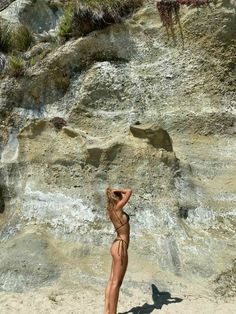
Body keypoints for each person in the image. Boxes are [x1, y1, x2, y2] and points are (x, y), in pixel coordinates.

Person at [104, 187, 133, 314]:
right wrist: (117, 189)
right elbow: (129, 191)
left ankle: (107, 311)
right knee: (116, 283)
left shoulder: (111, 209)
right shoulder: (117, 208)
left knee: (111, 281)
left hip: (116, 245)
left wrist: (113, 192)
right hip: (121, 247)